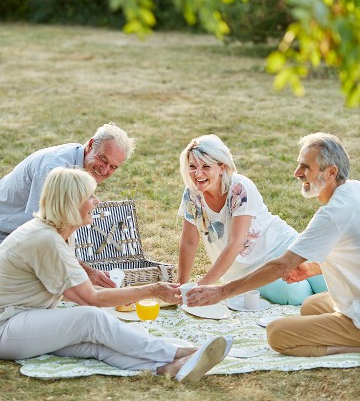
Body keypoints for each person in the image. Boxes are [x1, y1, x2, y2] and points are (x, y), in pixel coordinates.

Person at [0, 167, 232, 382]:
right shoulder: (46, 240)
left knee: (94, 344)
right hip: (7, 326)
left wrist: (123, 294)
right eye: (90, 196)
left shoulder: (58, 233)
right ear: (72, 203)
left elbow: (73, 292)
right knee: (90, 319)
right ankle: (179, 352)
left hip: (26, 320)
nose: (97, 201)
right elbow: (90, 299)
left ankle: (167, 369)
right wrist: (152, 290)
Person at [186, 133, 360, 357]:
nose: (297, 173)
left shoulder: (332, 214)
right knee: (310, 307)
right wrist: (313, 268)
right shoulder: (354, 189)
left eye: (305, 167)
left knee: (278, 334)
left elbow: (281, 266)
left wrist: (221, 291)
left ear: (331, 172)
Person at [177, 134, 327, 305]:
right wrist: (181, 286)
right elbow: (189, 241)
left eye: (205, 166)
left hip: (281, 246)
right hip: (248, 268)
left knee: (329, 281)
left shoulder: (239, 187)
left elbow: (235, 244)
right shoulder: (191, 194)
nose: (198, 173)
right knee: (296, 295)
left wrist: (202, 287)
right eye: (192, 166)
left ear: (221, 167)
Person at [0, 122, 134, 287]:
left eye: (113, 167)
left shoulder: (83, 163)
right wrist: (85, 271)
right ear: (91, 144)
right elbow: (43, 236)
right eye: (103, 159)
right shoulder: (54, 168)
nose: (105, 170)